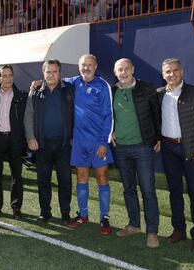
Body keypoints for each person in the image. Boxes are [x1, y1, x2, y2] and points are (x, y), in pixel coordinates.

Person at [111, 58, 160, 248]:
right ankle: (134, 225)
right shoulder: (113, 91)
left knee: (148, 190)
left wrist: (157, 138)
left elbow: (156, 113)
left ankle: (152, 231)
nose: (123, 72)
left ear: (133, 69)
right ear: (115, 73)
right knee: (128, 188)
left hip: (143, 147)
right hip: (121, 148)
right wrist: (111, 131)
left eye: (126, 69)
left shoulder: (146, 88)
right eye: (119, 70)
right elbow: (109, 115)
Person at [64, 54, 114, 235]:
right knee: (81, 178)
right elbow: (52, 78)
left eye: (89, 65)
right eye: (83, 65)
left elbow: (109, 116)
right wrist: (38, 82)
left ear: (96, 66)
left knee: (102, 178)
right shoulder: (73, 82)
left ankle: (104, 217)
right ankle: (83, 215)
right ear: (79, 67)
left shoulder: (103, 86)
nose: (86, 68)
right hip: (79, 141)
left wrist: (103, 142)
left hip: (98, 142)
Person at [24, 59, 74, 224]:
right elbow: (28, 116)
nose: (51, 75)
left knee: (65, 181)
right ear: (43, 73)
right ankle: (45, 212)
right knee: (43, 181)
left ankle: (65, 213)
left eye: (54, 72)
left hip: (64, 144)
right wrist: (31, 137)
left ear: (60, 73)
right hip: (42, 144)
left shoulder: (70, 90)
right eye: (48, 72)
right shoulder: (36, 91)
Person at [157, 58, 194, 253]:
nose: (171, 74)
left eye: (175, 70)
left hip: (190, 150)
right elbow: (154, 119)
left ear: (181, 72)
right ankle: (178, 229)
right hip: (168, 149)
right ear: (162, 75)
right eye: (167, 72)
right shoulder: (159, 94)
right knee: (174, 191)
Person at [0, 65, 27, 220]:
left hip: (15, 140)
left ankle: (16, 207)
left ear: (13, 77)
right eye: (4, 75)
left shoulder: (22, 96)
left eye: (10, 75)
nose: (7, 78)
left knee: (17, 176)